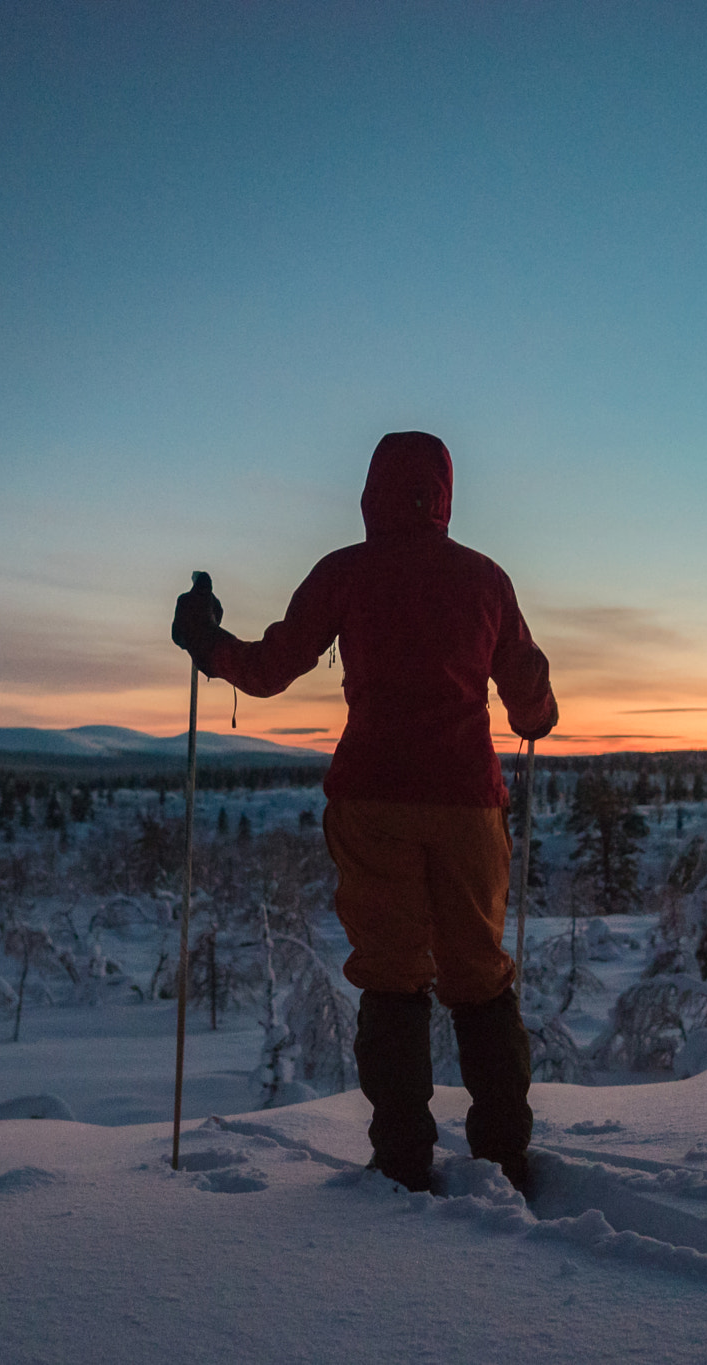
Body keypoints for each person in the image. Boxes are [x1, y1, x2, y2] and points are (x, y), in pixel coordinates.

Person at [171, 430, 557, 1194]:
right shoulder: (486, 580)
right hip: (468, 804)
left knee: (391, 978)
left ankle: (404, 1159)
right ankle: (506, 1156)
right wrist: (538, 703)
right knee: (481, 978)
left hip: (372, 796)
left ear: (372, 489)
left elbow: (271, 666)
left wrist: (206, 643)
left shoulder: (344, 573)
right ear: (445, 492)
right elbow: (529, 708)